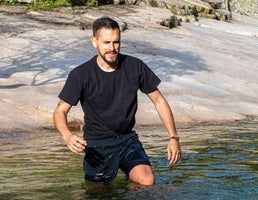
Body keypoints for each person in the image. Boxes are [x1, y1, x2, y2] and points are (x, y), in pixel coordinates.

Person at [53, 16, 181, 186]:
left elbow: (158, 100)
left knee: (147, 181)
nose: (112, 48)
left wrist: (173, 137)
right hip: (97, 144)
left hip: (127, 139)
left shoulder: (135, 66)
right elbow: (60, 110)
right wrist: (67, 135)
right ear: (94, 41)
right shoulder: (81, 74)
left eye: (116, 42)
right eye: (106, 43)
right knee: (99, 198)